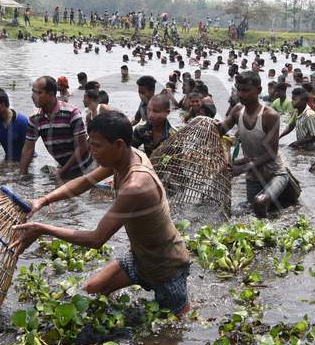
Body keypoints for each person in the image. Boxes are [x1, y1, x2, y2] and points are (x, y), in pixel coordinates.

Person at [13, 111, 192, 314]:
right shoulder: (124, 158)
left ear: (118, 145)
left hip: (166, 268)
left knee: (174, 330)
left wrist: (42, 229)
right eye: (91, 144)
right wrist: (43, 200)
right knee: (92, 290)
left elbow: (97, 239)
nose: (92, 152)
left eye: (97, 146)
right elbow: (84, 182)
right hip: (140, 257)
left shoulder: (136, 185)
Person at [220, 70, 299, 213]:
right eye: (239, 90)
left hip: (275, 173)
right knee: (249, 210)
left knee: (260, 202)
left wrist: (242, 169)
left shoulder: (270, 116)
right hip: (253, 175)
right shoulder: (237, 111)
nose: (241, 94)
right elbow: (221, 130)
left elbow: (271, 154)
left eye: (246, 90)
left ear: (259, 90)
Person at [20, 74, 93, 178]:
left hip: (86, 166)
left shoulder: (71, 113)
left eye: (38, 93)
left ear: (50, 94)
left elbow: (82, 147)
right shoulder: (35, 119)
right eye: (33, 92)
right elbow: (28, 148)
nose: (33, 96)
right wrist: (22, 176)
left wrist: (63, 172)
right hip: (64, 166)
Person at [0, 87, 31, 162]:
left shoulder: (22, 122)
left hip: (27, 162)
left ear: (2, 105)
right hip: (8, 160)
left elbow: (29, 151)